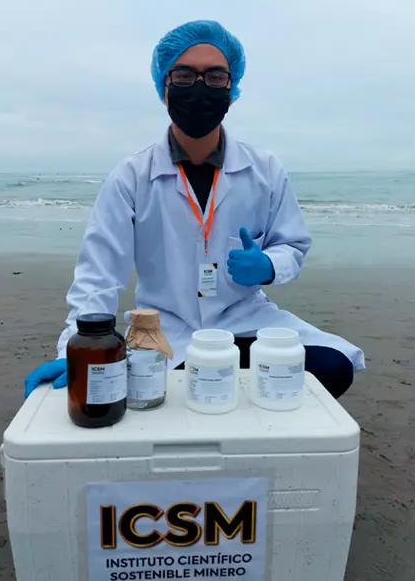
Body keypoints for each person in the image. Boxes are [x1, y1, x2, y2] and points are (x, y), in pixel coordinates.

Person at [23, 20, 365, 400]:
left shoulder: (264, 169)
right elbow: (99, 275)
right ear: (163, 88)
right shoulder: (131, 177)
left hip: (245, 319)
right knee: (169, 385)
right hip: (166, 327)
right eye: (185, 75)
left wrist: (269, 265)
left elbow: (293, 245)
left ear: (232, 90)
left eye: (215, 77)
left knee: (334, 366)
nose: (200, 87)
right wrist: (75, 345)